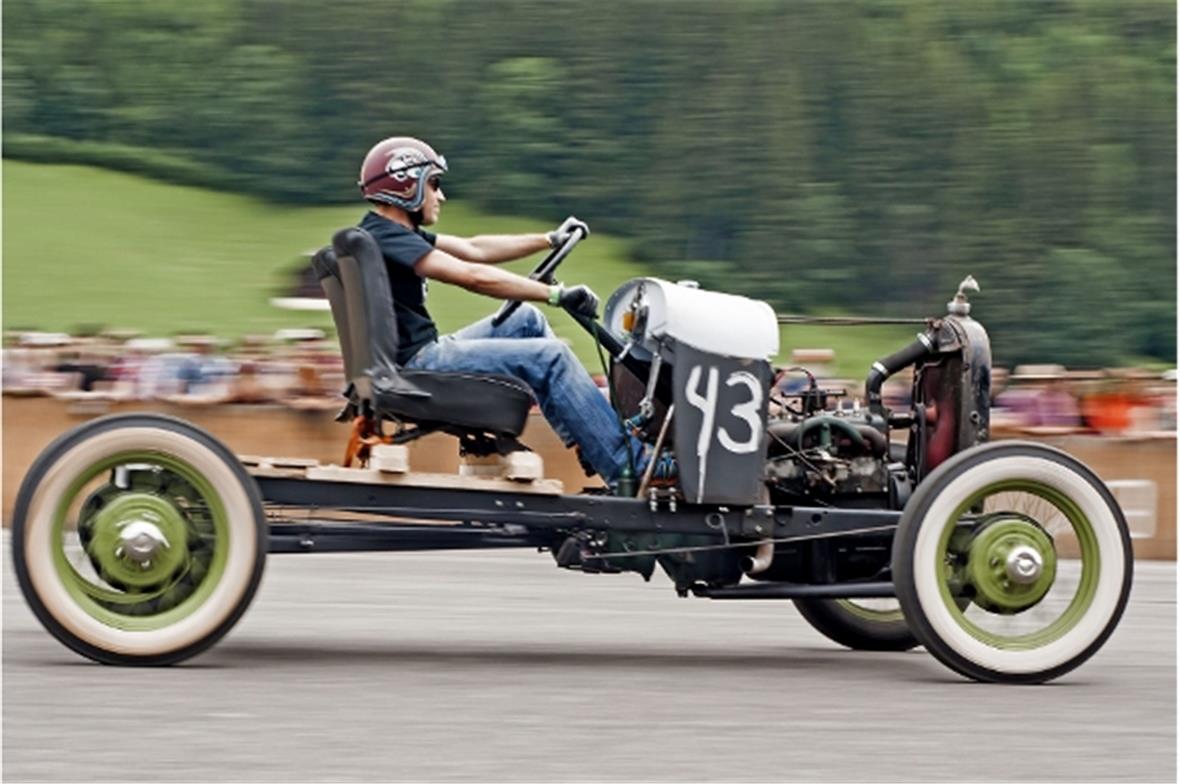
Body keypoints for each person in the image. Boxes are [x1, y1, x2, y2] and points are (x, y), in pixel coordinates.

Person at [355, 136, 640, 484]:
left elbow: (473, 249)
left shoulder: (382, 233)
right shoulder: (388, 238)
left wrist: (548, 239)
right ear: (406, 185)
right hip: (419, 363)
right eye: (434, 184)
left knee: (526, 321)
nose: (440, 195)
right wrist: (555, 294)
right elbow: (472, 276)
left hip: (412, 358)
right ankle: (629, 465)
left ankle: (587, 436)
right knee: (552, 357)